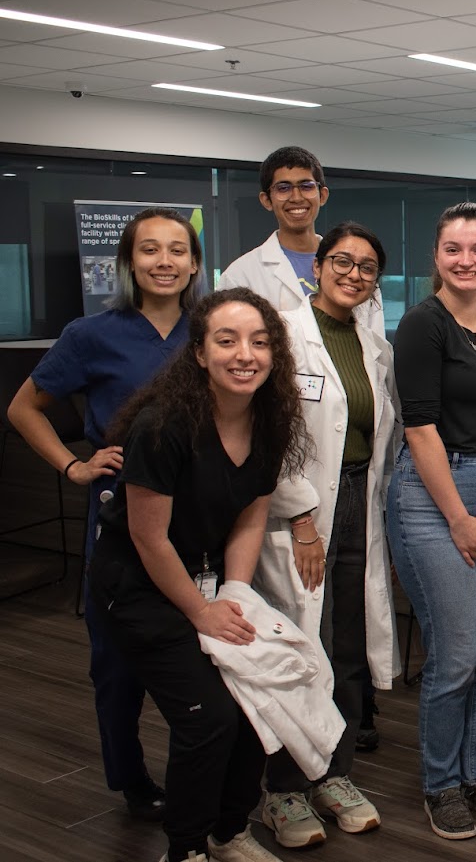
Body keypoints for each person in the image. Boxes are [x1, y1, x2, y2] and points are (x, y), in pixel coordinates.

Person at [88, 287, 310, 862]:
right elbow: (147, 537)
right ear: (199, 353)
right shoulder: (163, 426)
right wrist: (200, 611)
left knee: (252, 705)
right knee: (209, 719)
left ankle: (228, 832)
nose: (245, 354)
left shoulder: (269, 418)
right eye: (227, 340)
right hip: (138, 590)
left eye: (260, 342)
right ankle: (185, 849)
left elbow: (250, 515)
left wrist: (235, 596)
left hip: (210, 581)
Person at [7, 207, 203, 823]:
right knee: (117, 668)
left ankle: (200, 776)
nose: (164, 262)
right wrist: (73, 467)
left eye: (177, 250)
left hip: (199, 519)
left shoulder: (213, 330)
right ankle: (130, 778)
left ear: (196, 263)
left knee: (202, 661)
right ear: (128, 263)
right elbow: (24, 408)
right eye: (149, 250)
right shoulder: (90, 334)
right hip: (119, 520)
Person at [250, 223, 401, 848]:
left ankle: (333, 775)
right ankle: (283, 789)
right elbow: (267, 435)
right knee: (300, 645)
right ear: (318, 265)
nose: (354, 274)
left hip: (359, 500)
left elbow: (377, 437)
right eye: (343, 261)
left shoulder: (374, 344)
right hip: (301, 514)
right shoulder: (280, 334)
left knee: (344, 646)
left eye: (368, 267)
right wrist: (303, 520)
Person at [387, 202, 476, 840]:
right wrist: (460, 519)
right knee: (456, 658)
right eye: (453, 249)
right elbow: (420, 430)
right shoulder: (422, 326)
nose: (466, 261)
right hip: (432, 492)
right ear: (436, 257)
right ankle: (441, 784)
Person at [220, 145, 384, 337]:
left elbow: (376, 346)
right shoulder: (240, 276)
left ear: (322, 195)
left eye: (306, 186)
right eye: (283, 188)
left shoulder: (357, 269)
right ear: (266, 200)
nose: (296, 198)